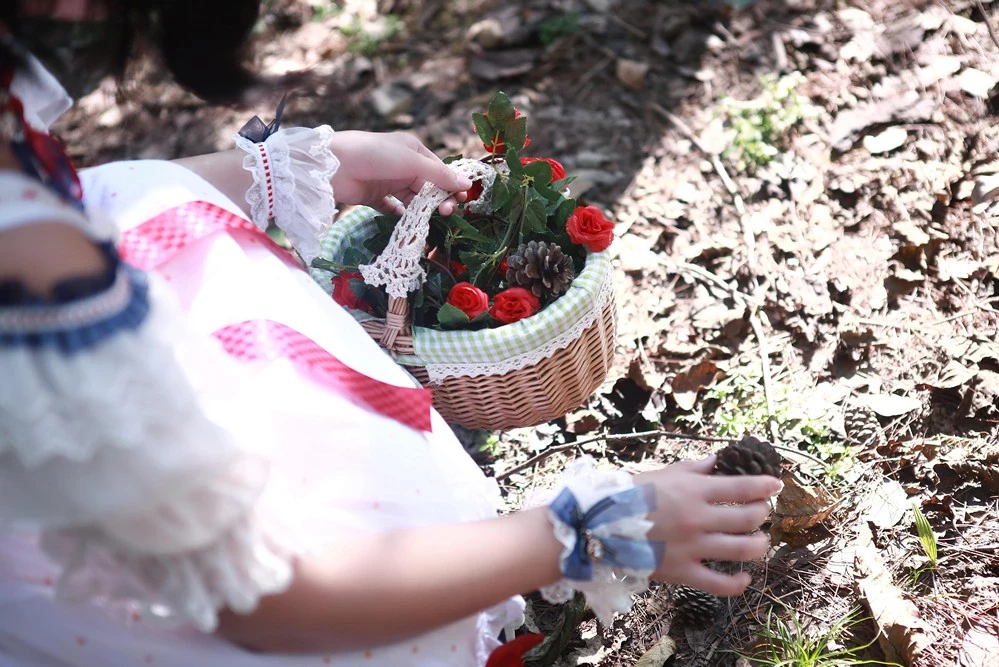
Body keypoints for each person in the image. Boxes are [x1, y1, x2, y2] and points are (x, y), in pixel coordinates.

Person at [0, 2, 783, 665]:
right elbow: (267, 594)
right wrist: (582, 533)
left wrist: (293, 168)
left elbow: (92, 195)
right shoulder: (34, 262)